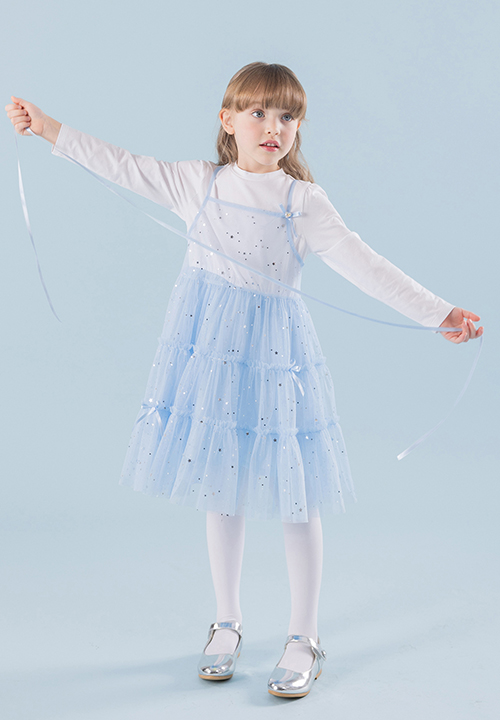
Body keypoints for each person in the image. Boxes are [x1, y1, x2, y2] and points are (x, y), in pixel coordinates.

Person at [5, 61, 483, 699]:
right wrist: (48, 128)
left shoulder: (301, 201)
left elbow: (367, 266)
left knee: (295, 492)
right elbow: (120, 164)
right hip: (210, 357)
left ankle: (303, 635)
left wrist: (439, 313)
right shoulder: (197, 184)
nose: (272, 127)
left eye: (287, 116)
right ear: (227, 121)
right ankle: (226, 622)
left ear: (298, 129)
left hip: (277, 358)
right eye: (258, 112)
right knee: (220, 485)